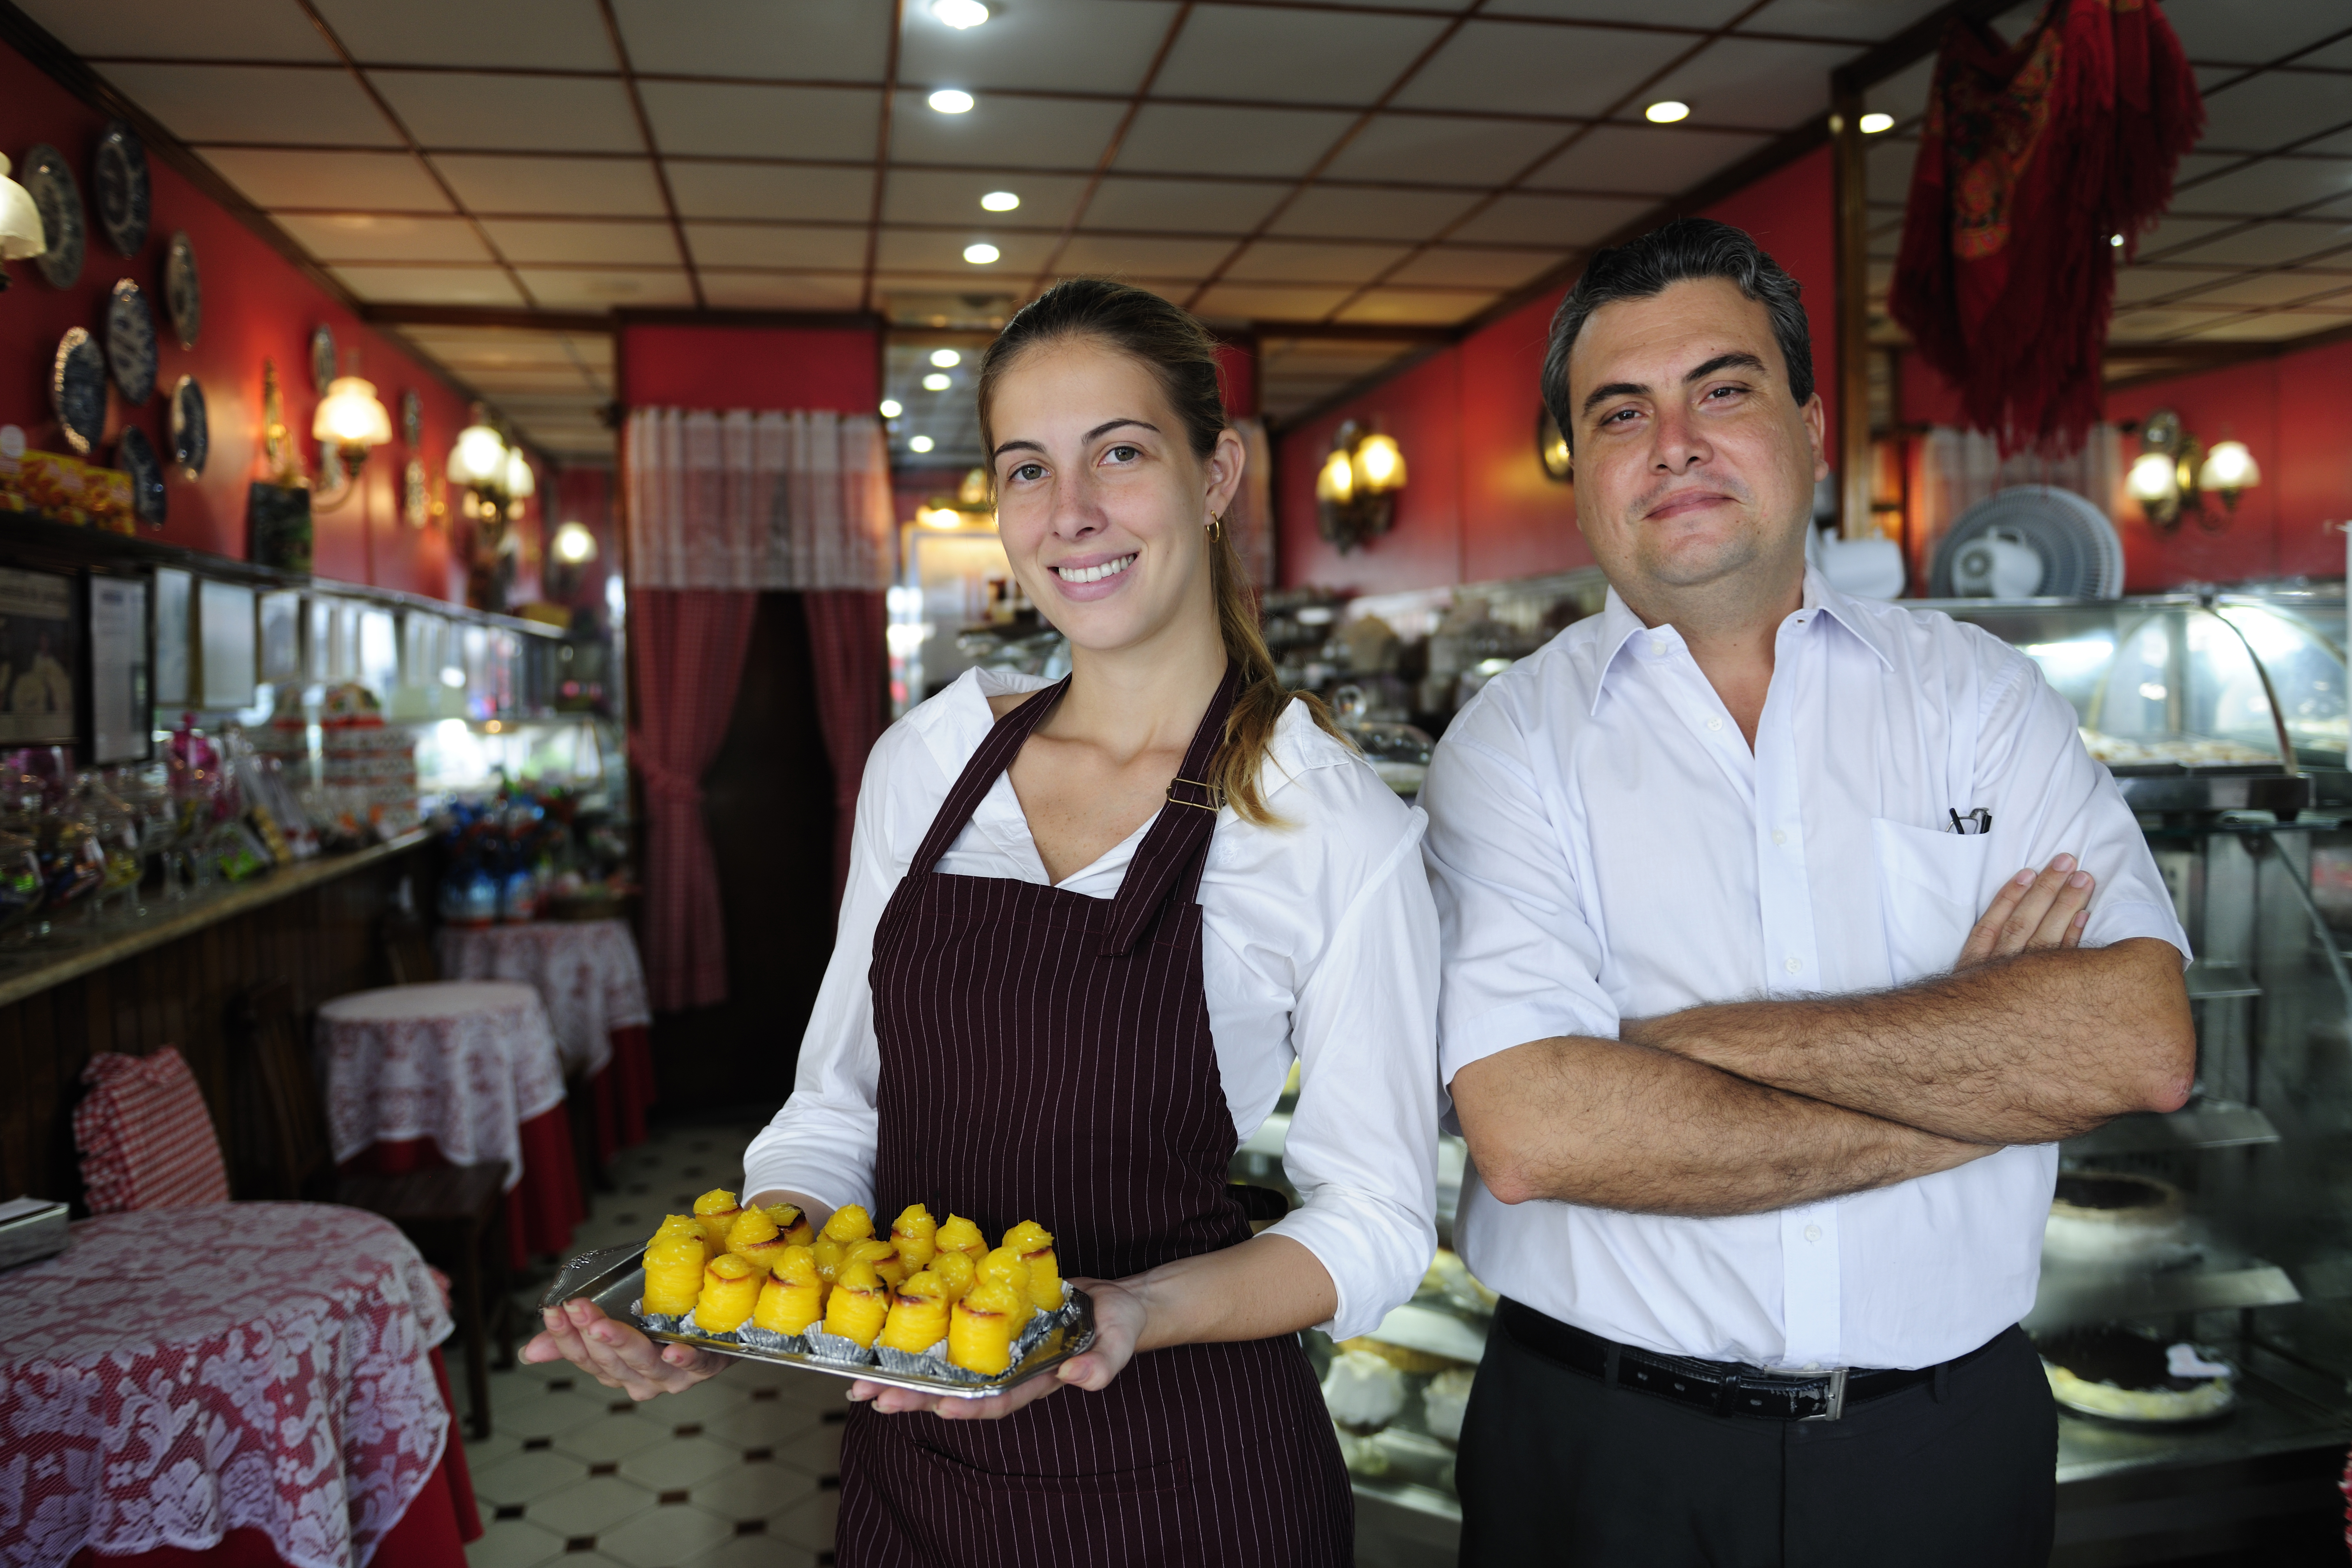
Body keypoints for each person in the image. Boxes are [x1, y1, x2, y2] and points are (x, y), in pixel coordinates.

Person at [527, 277, 1440, 1566]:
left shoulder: (1332, 819)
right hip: (923, 1466)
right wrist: (731, 1290)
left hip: (1199, 1479)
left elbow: (1379, 1218)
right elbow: (840, 1107)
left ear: (1217, 472)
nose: (1071, 514)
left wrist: (1127, 1313)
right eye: (1026, 469)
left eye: (1120, 453)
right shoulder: (931, 760)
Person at [1421, 218, 2193, 1566]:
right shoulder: (1507, 745)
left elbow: (2135, 1041)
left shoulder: (1977, 698)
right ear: (1583, 472)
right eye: (1621, 413)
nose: (1676, 442)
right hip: (1602, 1456)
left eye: (1722, 389)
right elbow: (1540, 1131)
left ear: (1813, 424)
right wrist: (1980, 1080)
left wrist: (1678, 1055)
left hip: (1945, 1449)